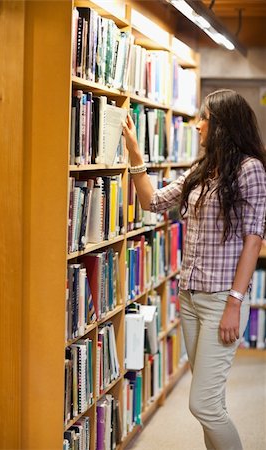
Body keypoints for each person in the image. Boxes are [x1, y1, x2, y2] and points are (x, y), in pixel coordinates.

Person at [122, 89, 266, 450]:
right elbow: (152, 201)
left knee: (202, 403)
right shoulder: (203, 170)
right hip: (189, 297)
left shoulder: (251, 169)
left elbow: (253, 238)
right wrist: (136, 156)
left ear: (223, 126)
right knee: (210, 404)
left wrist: (235, 302)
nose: (198, 125)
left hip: (221, 300)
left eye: (205, 118)